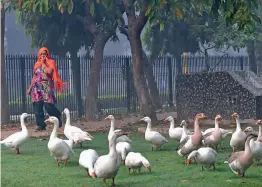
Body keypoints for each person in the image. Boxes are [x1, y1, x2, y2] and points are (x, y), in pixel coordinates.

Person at [26, 47, 66, 131]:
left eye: (45, 54)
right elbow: (34, 77)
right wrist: (30, 88)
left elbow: (49, 72)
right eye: (41, 54)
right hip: (37, 89)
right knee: (38, 107)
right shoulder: (37, 64)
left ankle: (57, 118)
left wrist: (43, 64)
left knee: (48, 106)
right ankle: (41, 125)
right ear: (39, 55)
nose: (43, 56)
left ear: (47, 55)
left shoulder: (51, 62)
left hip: (46, 87)